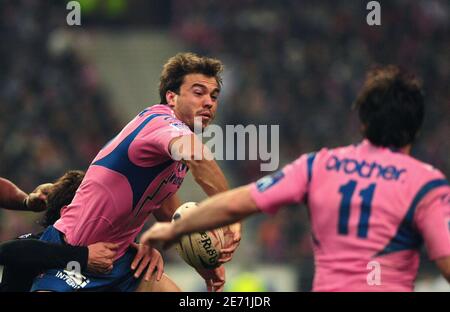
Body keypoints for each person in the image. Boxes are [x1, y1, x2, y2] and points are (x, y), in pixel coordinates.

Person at [141, 65, 450, 291]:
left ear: (363, 124)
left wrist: (173, 231)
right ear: (416, 128)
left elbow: (240, 201)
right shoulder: (426, 184)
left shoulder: (319, 166)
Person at [31, 52, 241, 292]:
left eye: (214, 96)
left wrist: (205, 266)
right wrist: (231, 212)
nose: (209, 102)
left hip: (120, 263)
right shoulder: (161, 122)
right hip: (73, 256)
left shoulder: (175, 152)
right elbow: (199, 158)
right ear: (171, 97)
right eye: (198, 92)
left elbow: (169, 211)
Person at [0, 170, 118, 291]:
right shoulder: (29, 249)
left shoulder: (112, 255)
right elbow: (7, 251)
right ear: (67, 212)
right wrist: (81, 256)